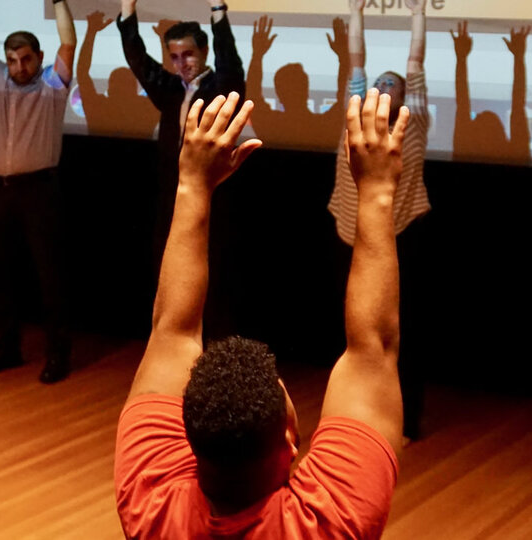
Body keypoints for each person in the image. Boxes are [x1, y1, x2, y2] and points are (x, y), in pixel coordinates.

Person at [114, 89, 408, 538]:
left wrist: (192, 182)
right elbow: (374, 349)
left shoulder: (150, 503)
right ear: (290, 443)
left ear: (187, 446)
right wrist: (379, 191)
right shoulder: (324, 523)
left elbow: (171, 330)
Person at [0, 0, 76, 383]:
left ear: (38, 58)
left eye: (25, 59)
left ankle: (58, 354)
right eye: (12, 60)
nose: (19, 67)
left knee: (50, 275)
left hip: (39, 190)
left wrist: (58, 2)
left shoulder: (52, 85)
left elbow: (69, 42)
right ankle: (7, 348)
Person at [328, 0, 429, 441]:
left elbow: (415, 62)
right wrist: (357, 13)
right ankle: (352, 416)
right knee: (353, 334)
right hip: (349, 234)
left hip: (399, 235)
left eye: (395, 85)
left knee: (396, 336)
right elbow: (356, 62)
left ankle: (403, 423)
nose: (386, 86)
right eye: (380, 82)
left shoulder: (413, 125)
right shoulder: (355, 118)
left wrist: (418, 15)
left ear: (407, 99)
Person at [117, 0, 245, 275]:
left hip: (211, 197)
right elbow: (138, 60)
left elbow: (229, 59)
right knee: (166, 268)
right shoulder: (171, 89)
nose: (181, 64)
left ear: (205, 50)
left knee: (211, 272)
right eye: (174, 57)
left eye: (188, 55)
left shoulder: (222, 85)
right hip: (170, 195)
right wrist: (128, 9)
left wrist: (218, 9)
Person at [247, 15, 350, 150]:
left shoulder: (270, 125)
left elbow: (253, 95)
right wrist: (344, 57)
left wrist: (257, 55)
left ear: (278, 93)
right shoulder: (324, 127)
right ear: (306, 89)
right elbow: (345, 98)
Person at [452, 22, 531, 165]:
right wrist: (518, 57)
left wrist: (461, 58)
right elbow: (518, 105)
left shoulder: (464, 150)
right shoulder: (516, 155)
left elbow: (462, 103)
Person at [78, 10, 158, 139]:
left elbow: (82, 73)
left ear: (108, 89)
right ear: (136, 89)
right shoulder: (145, 109)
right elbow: (165, 83)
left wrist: (91, 32)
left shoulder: (98, 107)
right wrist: (164, 40)